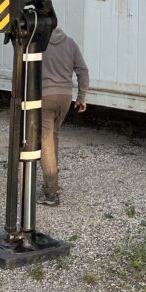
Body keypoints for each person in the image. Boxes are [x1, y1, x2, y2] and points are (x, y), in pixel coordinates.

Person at [37, 24, 90, 206]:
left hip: (45, 97)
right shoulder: (70, 43)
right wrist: (81, 97)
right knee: (53, 137)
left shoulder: (39, 43)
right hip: (65, 97)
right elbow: (83, 70)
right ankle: (53, 183)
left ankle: (51, 193)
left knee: (45, 142)